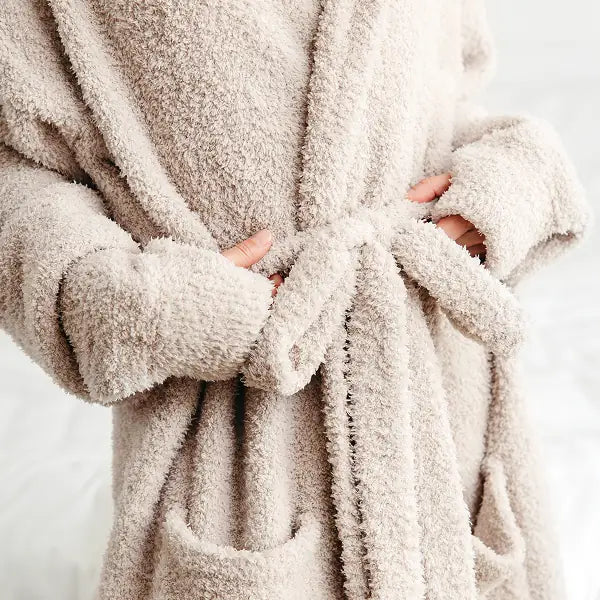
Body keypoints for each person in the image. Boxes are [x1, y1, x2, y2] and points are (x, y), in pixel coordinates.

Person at [0, 1, 589, 599]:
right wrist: (160, 305)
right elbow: (19, 172)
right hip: (240, 414)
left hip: (438, 389)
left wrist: (505, 189)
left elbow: (449, 95)